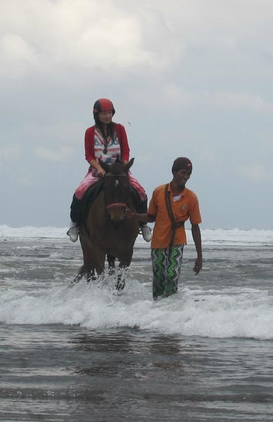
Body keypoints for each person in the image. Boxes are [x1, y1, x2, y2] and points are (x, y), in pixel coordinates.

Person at [67, 98, 149, 242]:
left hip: (119, 169)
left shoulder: (120, 129)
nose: (107, 116)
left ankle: (144, 224)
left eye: (110, 113)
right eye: (104, 113)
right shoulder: (90, 132)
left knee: (140, 192)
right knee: (79, 192)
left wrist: (124, 166)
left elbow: (125, 151)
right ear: (97, 115)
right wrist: (99, 168)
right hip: (98, 170)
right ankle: (75, 224)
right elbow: (89, 155)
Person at [146, 157, 203, 300]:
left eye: (188, 174)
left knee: (172, 275)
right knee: (159, 276)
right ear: (174, 171)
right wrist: (133, 216)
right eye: (183, 172)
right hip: (158, 240)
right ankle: (156, 308)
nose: (185, 177)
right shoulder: (159, 191)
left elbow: (195, 226)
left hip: (177, 241)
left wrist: (199, 257)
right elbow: (150, 216)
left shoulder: (191, 197)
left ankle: (170, 308)